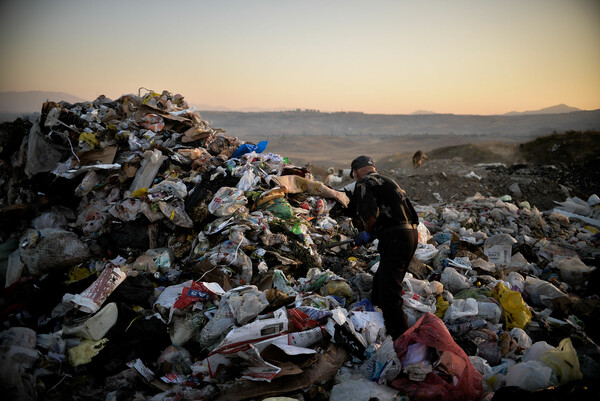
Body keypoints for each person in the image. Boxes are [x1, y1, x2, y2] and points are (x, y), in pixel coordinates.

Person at [350, 155, 419, 339]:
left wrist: (367, 232)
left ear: (356, 173)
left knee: (390, 295)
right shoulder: (389, 180)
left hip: (395, 237)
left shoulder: (363, 183)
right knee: (381, 282)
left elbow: (370, 216)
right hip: (411, 234)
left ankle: (401, 340)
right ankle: (378, 322)